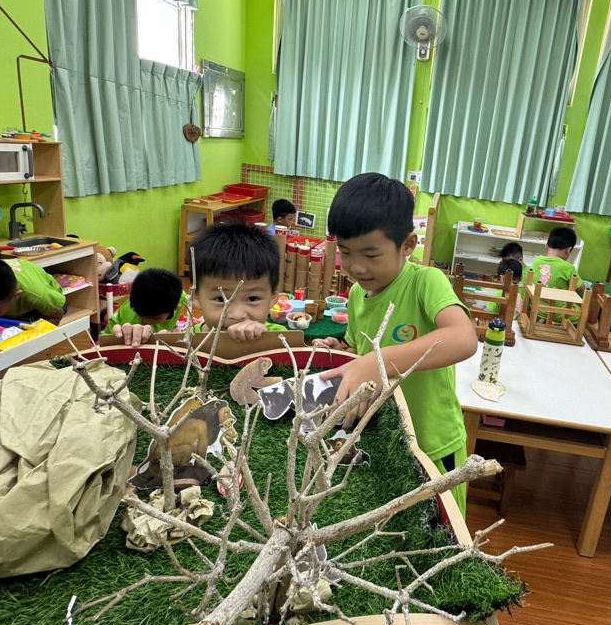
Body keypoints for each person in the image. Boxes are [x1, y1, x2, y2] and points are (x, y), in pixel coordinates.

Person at [311, 173, 478, 514]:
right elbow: (361, 353)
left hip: (432, 442)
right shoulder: (356, 295)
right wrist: (343, 353)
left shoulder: (425, 282)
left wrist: (378, 361)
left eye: (371, 255)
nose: (356, 267)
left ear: (407, 244)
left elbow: (463, 338)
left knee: (441, 531)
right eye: (345, 252)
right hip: (385, 439)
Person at [190, 222, 286, 342]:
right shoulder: (186, 341)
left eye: (252, 299)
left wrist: (264, 342)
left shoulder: (280, 339)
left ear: (272, 297)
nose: (237, 315)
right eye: (220, 299)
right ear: (195, 296)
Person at [102, 267, 188, 347]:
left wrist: (173, 326)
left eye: (155, 318)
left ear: (176, 307)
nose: (147, 321)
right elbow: (105, 340)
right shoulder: (130, 319)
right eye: (141, 316)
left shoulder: (182, 298)